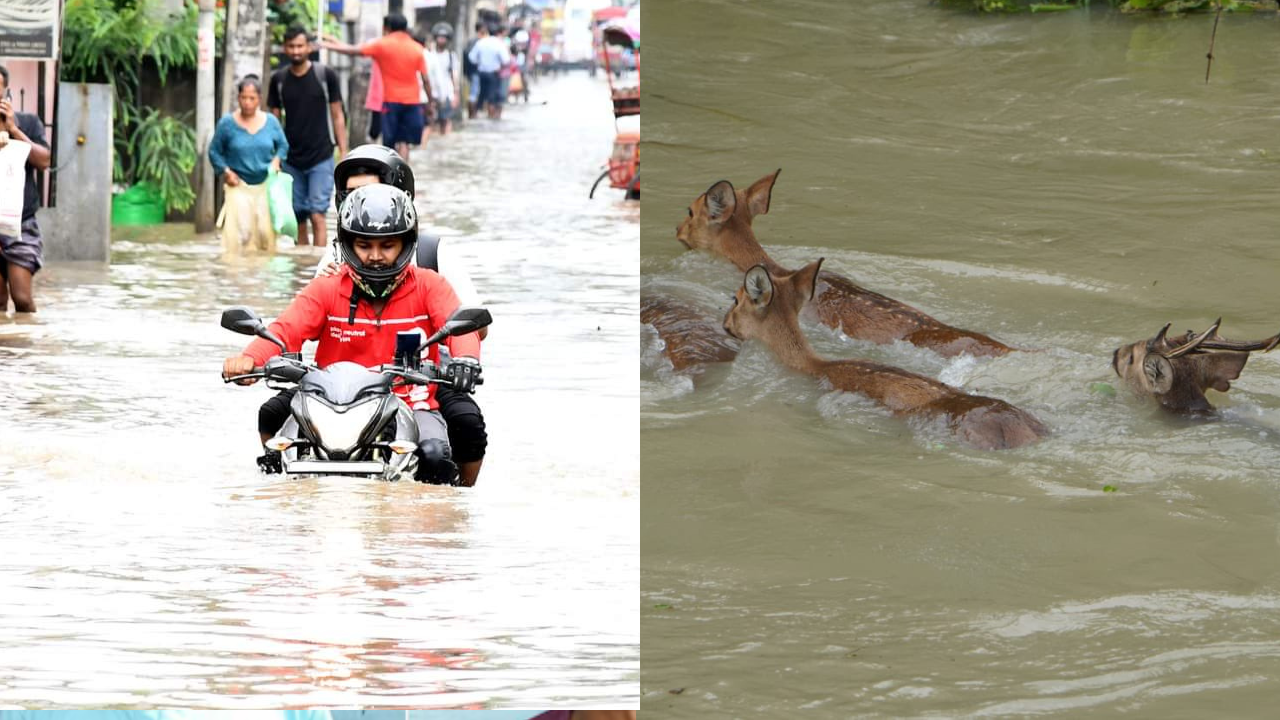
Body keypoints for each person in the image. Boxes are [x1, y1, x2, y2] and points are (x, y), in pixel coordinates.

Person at [257, 145, 490, 487]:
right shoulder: (332, 274)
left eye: (387, 245)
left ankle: (456, 504)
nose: (375, 256)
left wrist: (464, 360)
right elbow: (291, 325)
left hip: (419, 384)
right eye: (364, 245)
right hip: (337, 391)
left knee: (454, 434)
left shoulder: (431, 267)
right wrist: (251, 358)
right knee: (273, 416)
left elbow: (465, 324)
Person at [267, 25, 348, 248]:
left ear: (309, 47)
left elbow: (337, 114)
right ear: (285, 48)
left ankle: (319, 267)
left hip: (321, 155)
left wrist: (344, 151)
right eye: (291, 46)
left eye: (300, 46)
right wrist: (274, 157)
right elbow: (273, 122)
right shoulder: (279, 80)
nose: (295, 51)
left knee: (317, 214)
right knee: (298, 216)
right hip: (291, 159)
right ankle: (302, 266)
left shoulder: (325, 75)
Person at [323, 14, 434, 162]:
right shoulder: (417, 48)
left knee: (390, 143)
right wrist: (430, 103)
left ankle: (391, 175)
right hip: (412, 100)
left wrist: (325, 45)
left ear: (386, 27)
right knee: (405, 142)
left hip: (390, 100)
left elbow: (353, 50)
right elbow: (425, 80)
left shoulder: (382, 45)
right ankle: (405, 173)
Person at [208, 75, 288, 255]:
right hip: (238, 185)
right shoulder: (227, 123)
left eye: (252, 98)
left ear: (259, 99)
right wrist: (225, 171)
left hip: (265, 185)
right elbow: (214, 151)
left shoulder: (271, 122)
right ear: (238, 98)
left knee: (265, 234)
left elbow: (283, 145)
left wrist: (276, 161)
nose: (247, 103)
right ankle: (238, 275)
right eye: (243, 98)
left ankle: (262, 274)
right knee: (240, 235)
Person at [0, 64, 51, 313]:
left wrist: (13, 130)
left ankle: (29, 341)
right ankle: (9, 352)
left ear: (6, 91)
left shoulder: (28, 123)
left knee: (21, 297)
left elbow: (43, 161)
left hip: (21, 223)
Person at [424, 22, 460, 136]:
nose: (441, 40)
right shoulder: (429, 55)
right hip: (430, 93)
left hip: (447, 93)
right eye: (439, 37)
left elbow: (454, 76)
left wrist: (456, 94)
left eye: (444, 37)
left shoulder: (451, 56)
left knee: (446, 120)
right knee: (430, 123)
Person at [468, 22, 510, 120]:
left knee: (480, 94)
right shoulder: (499, 43)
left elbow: (471, 58)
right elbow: (506, 60)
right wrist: (499, 66)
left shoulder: (481, 42)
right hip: (494, 73)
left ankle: (474, 115)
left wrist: (480, 63)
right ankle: (491, 117)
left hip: (481, 73)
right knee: (492, 96)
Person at [462, 21, 484, 120]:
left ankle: (473, 113)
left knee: (474, 91)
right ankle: (472, 114)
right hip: (474, 71)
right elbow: (470, 57)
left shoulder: (473, 41)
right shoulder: (477, 42)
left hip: (472, 71)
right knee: (474, 92)